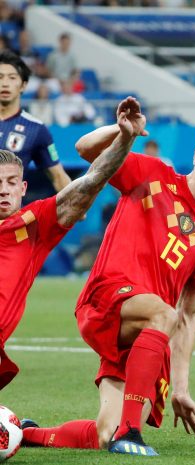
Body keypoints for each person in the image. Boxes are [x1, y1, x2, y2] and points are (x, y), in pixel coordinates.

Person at [22, 121, 195, 456]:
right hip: (108, 299)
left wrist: (181, 387)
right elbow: (86, 148)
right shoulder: (153, 174)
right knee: (162, 314)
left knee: (104, 434)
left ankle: (25, 434)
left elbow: (188, 316)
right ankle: (131, 433)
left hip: (147, 334)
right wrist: (121, 130)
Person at [0, 95, 147, 393]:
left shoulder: (33, 223)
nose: (4, 190)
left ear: (23, 188)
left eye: (11, 183)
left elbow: (91, 180)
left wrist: (124, 138)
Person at [0, 49, 71, 194]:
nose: (5, 83)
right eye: (0, 77)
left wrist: (77, 205)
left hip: (9, 213)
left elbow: (58, 177)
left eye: (12, 78)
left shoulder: (35, 129)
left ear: (23, 85)